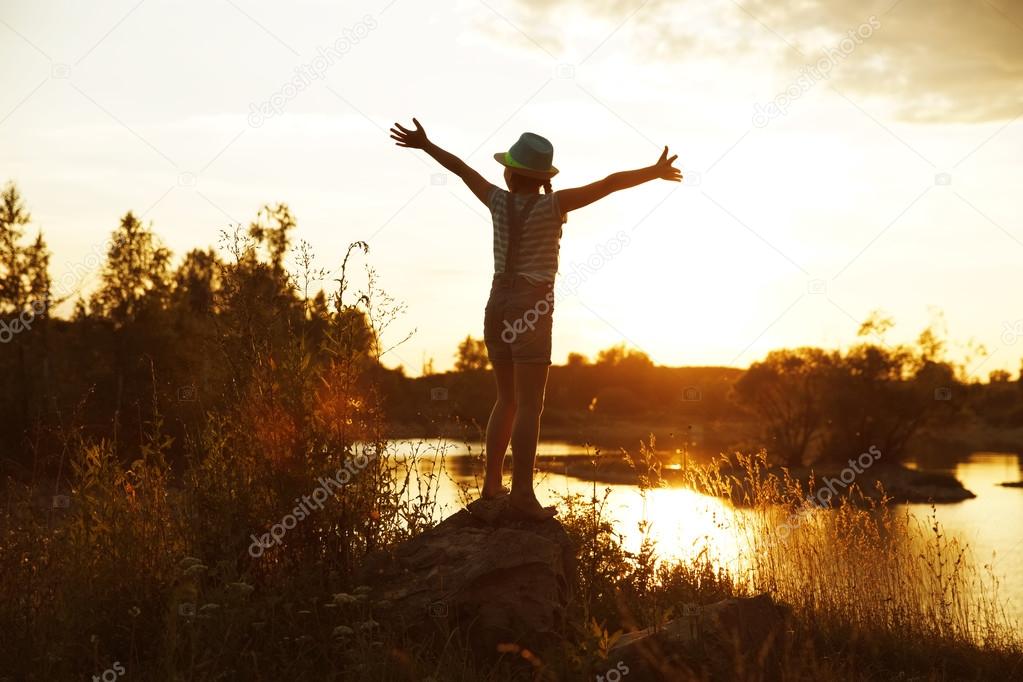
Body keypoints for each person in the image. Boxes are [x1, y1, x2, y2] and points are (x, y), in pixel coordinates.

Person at [390, 118, 681, 520]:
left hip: (497, 302)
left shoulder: (495, 199)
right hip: (531, 306)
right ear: (542, 176)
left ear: (509, 174)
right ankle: (522, 496)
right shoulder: (554, 204)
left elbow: (460, 168)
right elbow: (610, 182)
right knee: (531, 405)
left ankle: (493, 485)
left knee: (506, 400)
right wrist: (653, 172)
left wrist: (426, 144)